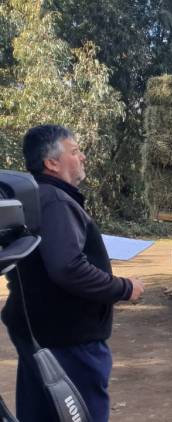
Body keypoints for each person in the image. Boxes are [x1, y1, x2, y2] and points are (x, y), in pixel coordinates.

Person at [1, 125, 145, 422]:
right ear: (51, 162)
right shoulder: (54, 200)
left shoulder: (37, 198)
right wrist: (124, 288)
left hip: (44, 334)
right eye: (75, 151)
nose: (83, 158)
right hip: (70, 340)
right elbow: (68, 267)